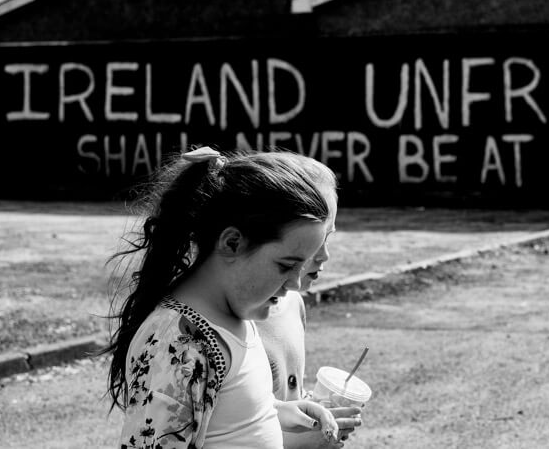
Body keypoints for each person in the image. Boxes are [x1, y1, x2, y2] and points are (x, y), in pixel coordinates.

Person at [106, 147, 341, 448]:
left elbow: (224, 417)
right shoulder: (179, 343)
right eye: (286, 265)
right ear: (232, 243)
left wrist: (277, 413)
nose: (295, 283)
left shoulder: (235, 315)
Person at [261, 162, 363, 449]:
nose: (324, 256)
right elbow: (235, 427)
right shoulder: (241, 318)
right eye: (315, 241)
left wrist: (318, 410)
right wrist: (306, 440)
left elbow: (288, 399)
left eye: (328, 237)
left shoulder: (294, 302)